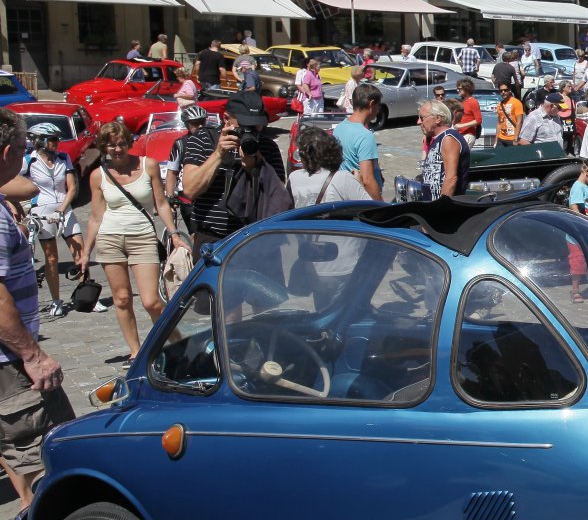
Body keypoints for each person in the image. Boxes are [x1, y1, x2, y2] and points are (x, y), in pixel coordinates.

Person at [0, 108, 70, 520]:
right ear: (6, 152)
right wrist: (33, 355)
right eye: (21, 148)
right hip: (10, 360)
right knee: (48, 451)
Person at [80, 120, 183, 365]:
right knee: (122, 298)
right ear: (103, 147)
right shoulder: (98, 175)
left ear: (129, 143)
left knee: (151, 301)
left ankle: (180, 344)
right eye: (111, 145)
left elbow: (161, 204)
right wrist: (85, 252)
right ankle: (136, 351)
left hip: (143, 237)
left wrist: (174, 234)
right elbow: (95, 217)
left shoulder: (148, 165)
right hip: (110, 238)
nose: (117, 149)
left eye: (122, 144)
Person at [181, 92, 288, 249]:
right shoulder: (203, 139)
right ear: (226, 119)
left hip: (256, 240)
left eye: (257, 125)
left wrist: (256, 168)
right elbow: (190, 190)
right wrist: (218, 155)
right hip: (213, 240)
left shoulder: (268, 147)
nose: (252, 130)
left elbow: (277, 197)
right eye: (245, 125)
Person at [23, 124, 82, 319]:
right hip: (42, 211)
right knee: (51, 258)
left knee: (80, 254)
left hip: (64, 209)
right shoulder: (28, 160)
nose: (57, 143)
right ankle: (56, 300)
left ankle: (86, 295)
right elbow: (12, 181)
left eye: (58, 139)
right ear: (40, 140)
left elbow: (72, 188)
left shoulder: (63, 158)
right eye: (53, 139)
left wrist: (61, 210)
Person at [288, 127, 370, 207]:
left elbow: (287, 210)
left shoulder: (293, 178)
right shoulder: (343, 178)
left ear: (304, 156)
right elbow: (369, 209)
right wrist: (359, 184)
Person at [333, 85, 384, 201]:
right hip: (361, 199)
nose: (378, 109)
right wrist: (382, 205)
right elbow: (367, 180)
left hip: (344, 195)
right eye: (378, 105)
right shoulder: (365, 136)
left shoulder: (339, 128)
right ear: (371, 104)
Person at [417, 99, 469, 199]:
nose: (419, 122)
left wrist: (441, 205)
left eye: (422, 118)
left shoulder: (448, 138)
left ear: (438, 118)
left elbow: (451, 178)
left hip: (443, 205)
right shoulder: (439, 138)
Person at [493, 82, 524, 147]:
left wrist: (516, 138)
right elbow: (499, 123)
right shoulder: (499, 104)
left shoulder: (516, 103)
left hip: (512, 139)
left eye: (505, 90)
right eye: (501, 91)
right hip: (501, 138)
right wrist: (496, 140)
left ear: (509, 90)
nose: (503, 92)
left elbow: (520, 121)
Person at [455, 78, 483, 142]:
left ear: (466, 89)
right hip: (459, 134)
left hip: (468, 134)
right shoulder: (461, 102)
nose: (457, 90)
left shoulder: (473, 102)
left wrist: (462, 126)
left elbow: (478, 120)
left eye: (459, 89)